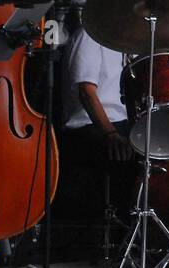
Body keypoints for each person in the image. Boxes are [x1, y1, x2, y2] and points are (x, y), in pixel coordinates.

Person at [57, 25, 136, 215]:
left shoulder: (133, 42)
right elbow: (87, 93)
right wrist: (111, 134)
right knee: (130, 156)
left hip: (124, 122)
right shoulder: (90, 35)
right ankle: (122, 226)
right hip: (89, 124)